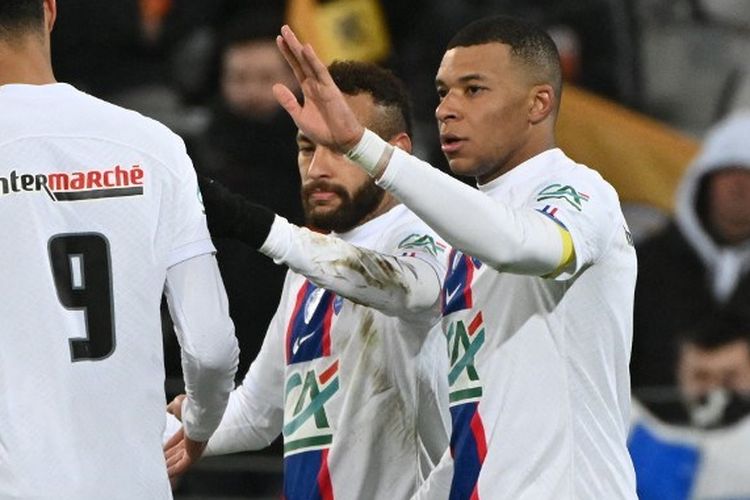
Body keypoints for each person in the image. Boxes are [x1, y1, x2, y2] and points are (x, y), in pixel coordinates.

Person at [274, 15, 637, 499]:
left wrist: (368, 151)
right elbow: (472, 427)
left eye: (474, 90)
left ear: (538, 103)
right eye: (443, 92)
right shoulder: (464, 240)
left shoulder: (580, 191)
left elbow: (524, 246)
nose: (447, 109)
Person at [165, 60, 450, 499]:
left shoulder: (429, 236)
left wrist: (257, 225)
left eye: (340, 148)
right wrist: (179, 426)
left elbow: (408, 288)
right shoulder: (308, 266)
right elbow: (259, 413)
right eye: (306, 147)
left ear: (397, 153)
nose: (317, 167)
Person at [0, 1, 239, 498]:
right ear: (49, 10)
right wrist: (198, 425)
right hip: (132, 482)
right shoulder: (154, 145)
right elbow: (212, 347)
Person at [632, 110, 750, 391]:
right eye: (729, 171)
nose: (739, 186)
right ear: (704, 181)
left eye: (749, 175)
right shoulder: (644, 265)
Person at [628, 313, 750, 500]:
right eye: (702, 376)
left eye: (729, 376)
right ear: (680, 373)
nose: (714, 390)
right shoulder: (631, 434)